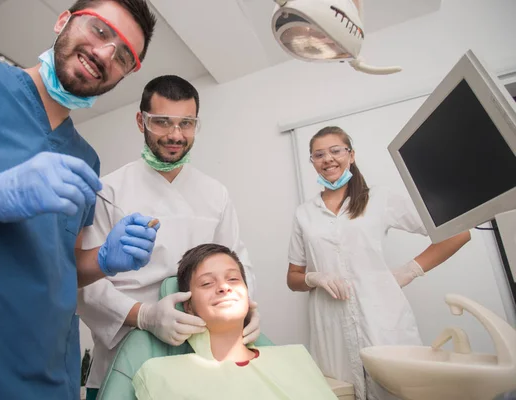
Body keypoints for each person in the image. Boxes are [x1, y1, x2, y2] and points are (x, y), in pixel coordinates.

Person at [0, 1, 159, 399]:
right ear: (63, 20)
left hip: (48, 380)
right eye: (100, 31)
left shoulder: (85, 159)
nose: (104, 54)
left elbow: (59, 264)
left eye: (123, 56)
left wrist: (100, 260)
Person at [77, 75, 260, 399]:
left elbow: (238, 265)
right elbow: (87, 283)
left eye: (186, 123)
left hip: (205, 353)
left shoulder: (214, 194)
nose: (175, 135)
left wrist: (246, 309)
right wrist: (144, 316)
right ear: (141, 121)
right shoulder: (109, 191)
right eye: (162, 122)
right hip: (125, 349)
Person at [286, 126, 471, 400]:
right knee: (344, 392)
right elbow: (293, 278)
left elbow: (458, 231)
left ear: (351, 155)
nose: (328, 159)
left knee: (399, 390)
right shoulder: (304, 214)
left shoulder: (379, 199)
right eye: (319, 154)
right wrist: (315, 278)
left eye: (336, 150)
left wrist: (409, 271)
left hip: (382, 318)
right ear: (312, 162)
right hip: (331, 326)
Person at [131, 243, 338, 400]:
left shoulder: (295, 360)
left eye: (233, 279)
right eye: (207, 283)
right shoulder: (163, 375)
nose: (224, 287)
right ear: (188, 306)